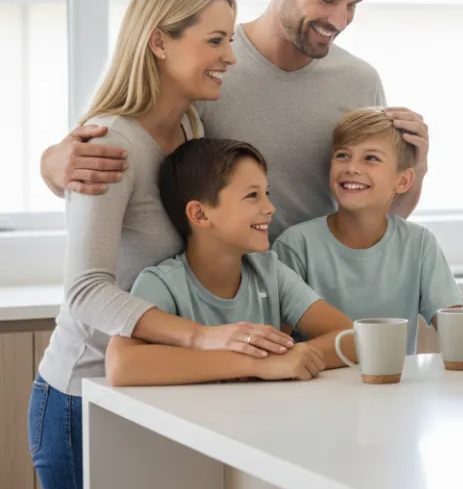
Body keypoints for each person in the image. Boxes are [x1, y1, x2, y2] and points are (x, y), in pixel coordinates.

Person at [30, 0, 297, 489]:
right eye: (215, 41)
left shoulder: (191, 130)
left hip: (154, 387)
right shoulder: (109, 142)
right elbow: (84, 291)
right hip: (84, 392)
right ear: (159, 41)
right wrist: (202, 339)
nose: (230, 56)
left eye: (230, 40)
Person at [39, 0, 431, 240]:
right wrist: (51, 165)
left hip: (318, 304)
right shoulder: (208, 68)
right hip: (225, 307)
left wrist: (419, 165)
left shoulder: (360, 80)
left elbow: (375, 218)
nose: (340, 21)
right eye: (326, 1)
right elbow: (130, 155)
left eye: (351, 6)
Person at [106, 139, 356, 386]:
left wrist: (289, 359)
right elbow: (121, 365)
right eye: (252, 195)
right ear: (200, 214)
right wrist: (257, 364)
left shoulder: (271, 272)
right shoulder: (162, 284)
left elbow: (352, 339)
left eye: (266, 193)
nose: (270, 207)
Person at [273, 108, 463, 365]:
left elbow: (454, 323)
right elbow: (277, 341)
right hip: (315, 392)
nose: (352, 167)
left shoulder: (418, 243)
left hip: (393, 391)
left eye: (370, 158)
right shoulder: (295, 245)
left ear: (403, 181)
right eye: (343, 155)